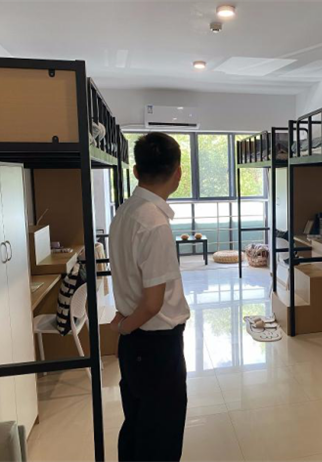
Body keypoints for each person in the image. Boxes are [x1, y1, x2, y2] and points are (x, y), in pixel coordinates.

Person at [109, 132, 190, 462]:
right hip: (155, 345)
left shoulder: (125, 212)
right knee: (161, 438)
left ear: (136, 171)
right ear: (178, 173)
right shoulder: (154, 224)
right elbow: (154, 304)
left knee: (137, 426)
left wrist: (127, 329)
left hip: (138, 346)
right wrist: (125, 328)